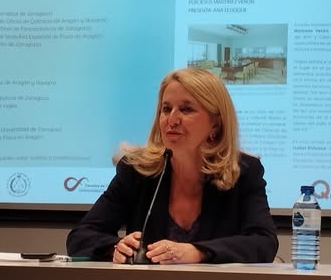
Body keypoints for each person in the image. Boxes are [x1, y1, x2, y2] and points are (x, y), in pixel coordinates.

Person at [67, 67, 279, 264]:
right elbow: (81, 236)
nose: (172, 119)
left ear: (215, 124)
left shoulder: (243, 171)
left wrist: (197, 252)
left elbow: (264, 242)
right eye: (166, 109)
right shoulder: (137, 169)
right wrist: (116, 248)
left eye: (186, 109)